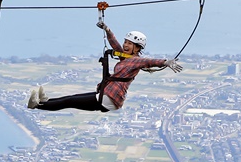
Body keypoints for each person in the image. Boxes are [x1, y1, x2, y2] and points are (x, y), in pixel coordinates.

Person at [28, 21, 182, 113]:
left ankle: (36, 106)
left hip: (109, 99)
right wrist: (108, 30)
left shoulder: (136, 61)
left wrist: (165, 62)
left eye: (130, 44)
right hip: (106, 95)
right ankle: (44, 101)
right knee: (71, 98)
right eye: (126, 42)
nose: (125, 45)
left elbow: (149, 61)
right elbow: (114, 44)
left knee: (70, 102)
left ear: (137, 48)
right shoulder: (126, 57)